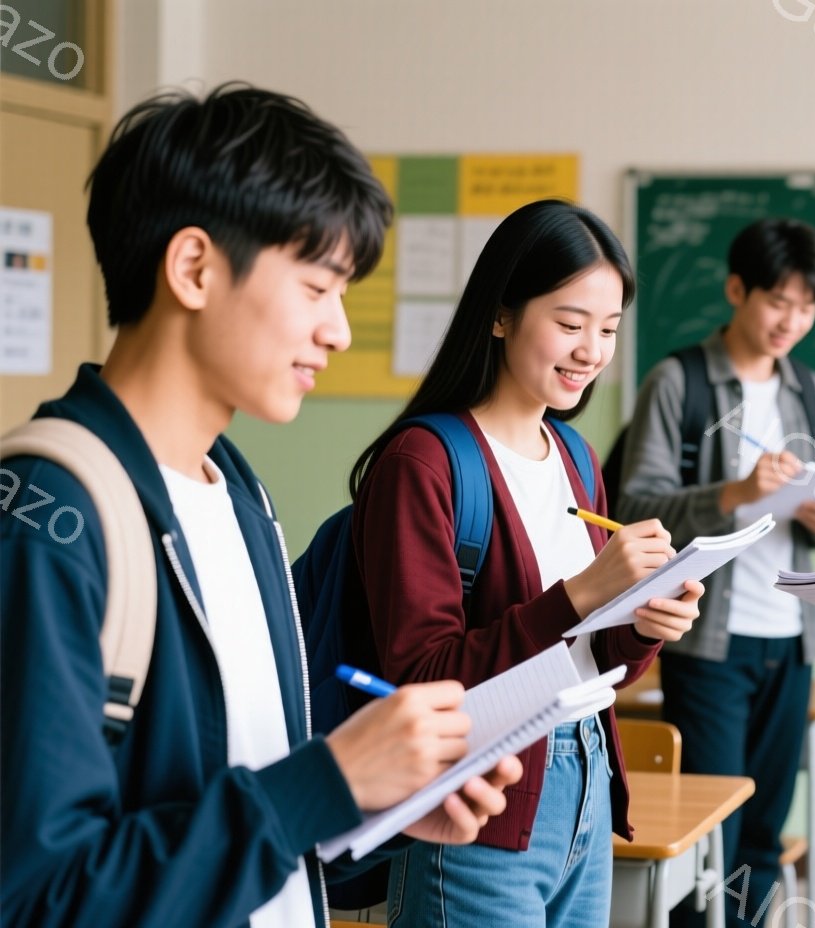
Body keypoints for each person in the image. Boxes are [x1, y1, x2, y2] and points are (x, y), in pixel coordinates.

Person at [0, 83, 519, 927]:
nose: (340, 331)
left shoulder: (238, 494)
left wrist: (376, 804)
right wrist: (328, 782)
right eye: (318, 288)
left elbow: (246, 792)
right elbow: (38, 896)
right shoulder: (48, 514)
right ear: (195, 267)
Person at [349, 198, 702, 925]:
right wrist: (578, 595)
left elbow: (593, 662)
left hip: (587, 785)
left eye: (607, 330)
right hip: (477, 804)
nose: (592, 352)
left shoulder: (575, 457)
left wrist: (641, 625)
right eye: (570, 325)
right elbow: (421, 677)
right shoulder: (425, 462)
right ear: (502, 314)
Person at [615, 217, 815, 926]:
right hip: (707, 642)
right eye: (778, 301)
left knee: (762, 838)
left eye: (807, 307)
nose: (792, 321)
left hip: (790, 640)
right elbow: (632, 503)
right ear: (736, 289)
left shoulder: (811, 391)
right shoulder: (678, 381)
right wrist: (735, 493)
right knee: (708, 833)